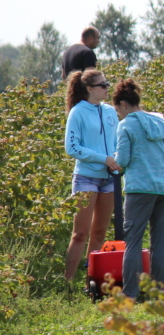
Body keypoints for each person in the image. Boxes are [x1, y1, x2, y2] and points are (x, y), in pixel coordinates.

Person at [113, 79, 164, 301]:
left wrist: (111, 161)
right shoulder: (160, 120)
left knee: (133, 241)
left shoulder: (126, 125)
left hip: (140, 188)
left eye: (117, 110)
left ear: (122, 104)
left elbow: (123, 159)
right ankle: (161, 291)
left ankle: (130, 293)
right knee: (160, 241)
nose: (118, 115)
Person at [63, 68, 120, 283]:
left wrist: (116, 159)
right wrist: (102, 158)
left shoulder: (109, 111)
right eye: (102, 85)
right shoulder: (77, 112)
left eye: (107, 83)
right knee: (80, 234)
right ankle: (67, 282)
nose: (107, 88)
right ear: (89, 89)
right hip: (86, 177)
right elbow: (72, 148)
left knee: (99, 232)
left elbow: (115, 142)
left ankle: (91, 281)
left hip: (110, 178)